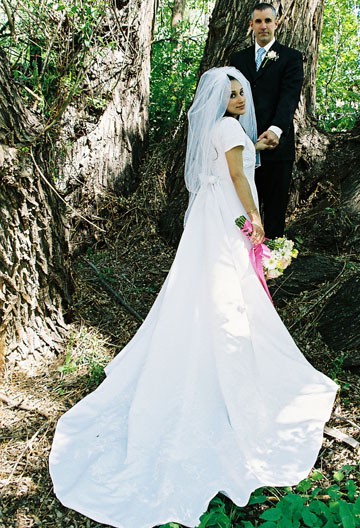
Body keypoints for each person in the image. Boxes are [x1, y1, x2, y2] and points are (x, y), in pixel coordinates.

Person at [49, 67, 337, 528]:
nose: (241, 98)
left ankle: (199, 348)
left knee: (202, 289)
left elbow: (231, 165)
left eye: (243, 92)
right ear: (219, 99)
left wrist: (255, 149)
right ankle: (226, 369)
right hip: (229, 214)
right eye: (233, 93)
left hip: (208, 214)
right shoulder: (228, 127)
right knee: (229, 294)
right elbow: (241, 181)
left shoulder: (215, 130)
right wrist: (256, 220)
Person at [231, 2, 304, 239]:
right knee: (244, 206)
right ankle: (246, 259)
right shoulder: (238, 59)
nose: (263, 26)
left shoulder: (291, 58)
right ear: (251, 25)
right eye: (258, 21)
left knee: (274, 211)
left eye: (268, 21)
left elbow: (289, 97)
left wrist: (275, 130)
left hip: (276, 147)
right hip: (243, 144)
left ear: (277, 24)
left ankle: (271, 263)